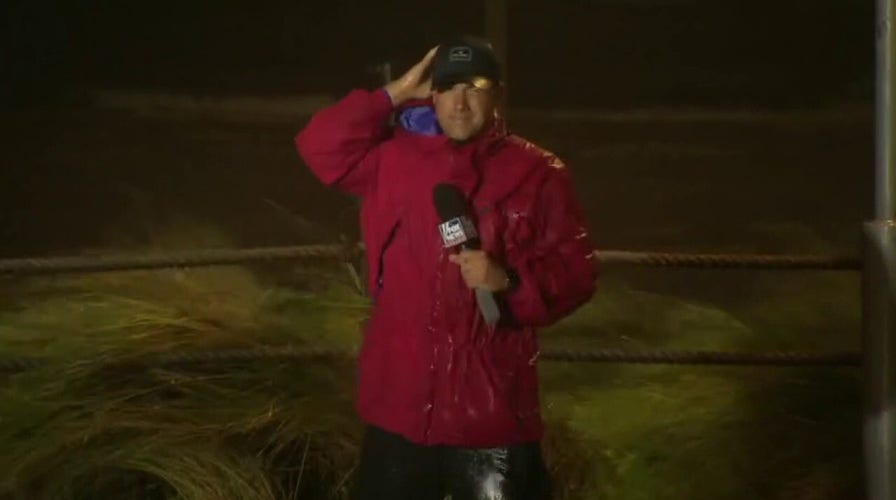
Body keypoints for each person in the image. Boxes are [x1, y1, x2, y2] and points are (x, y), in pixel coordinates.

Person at [295, 36, 597, 500]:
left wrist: (508, 282)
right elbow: (319, 146)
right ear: (431, 93)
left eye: (474, 87)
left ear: (497, 94)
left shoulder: (539, 173)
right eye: (448, 86)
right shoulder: (391, 159)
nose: (459, 103)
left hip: (493, 415)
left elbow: (577, 274)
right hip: (398, 408)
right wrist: (393, 94)